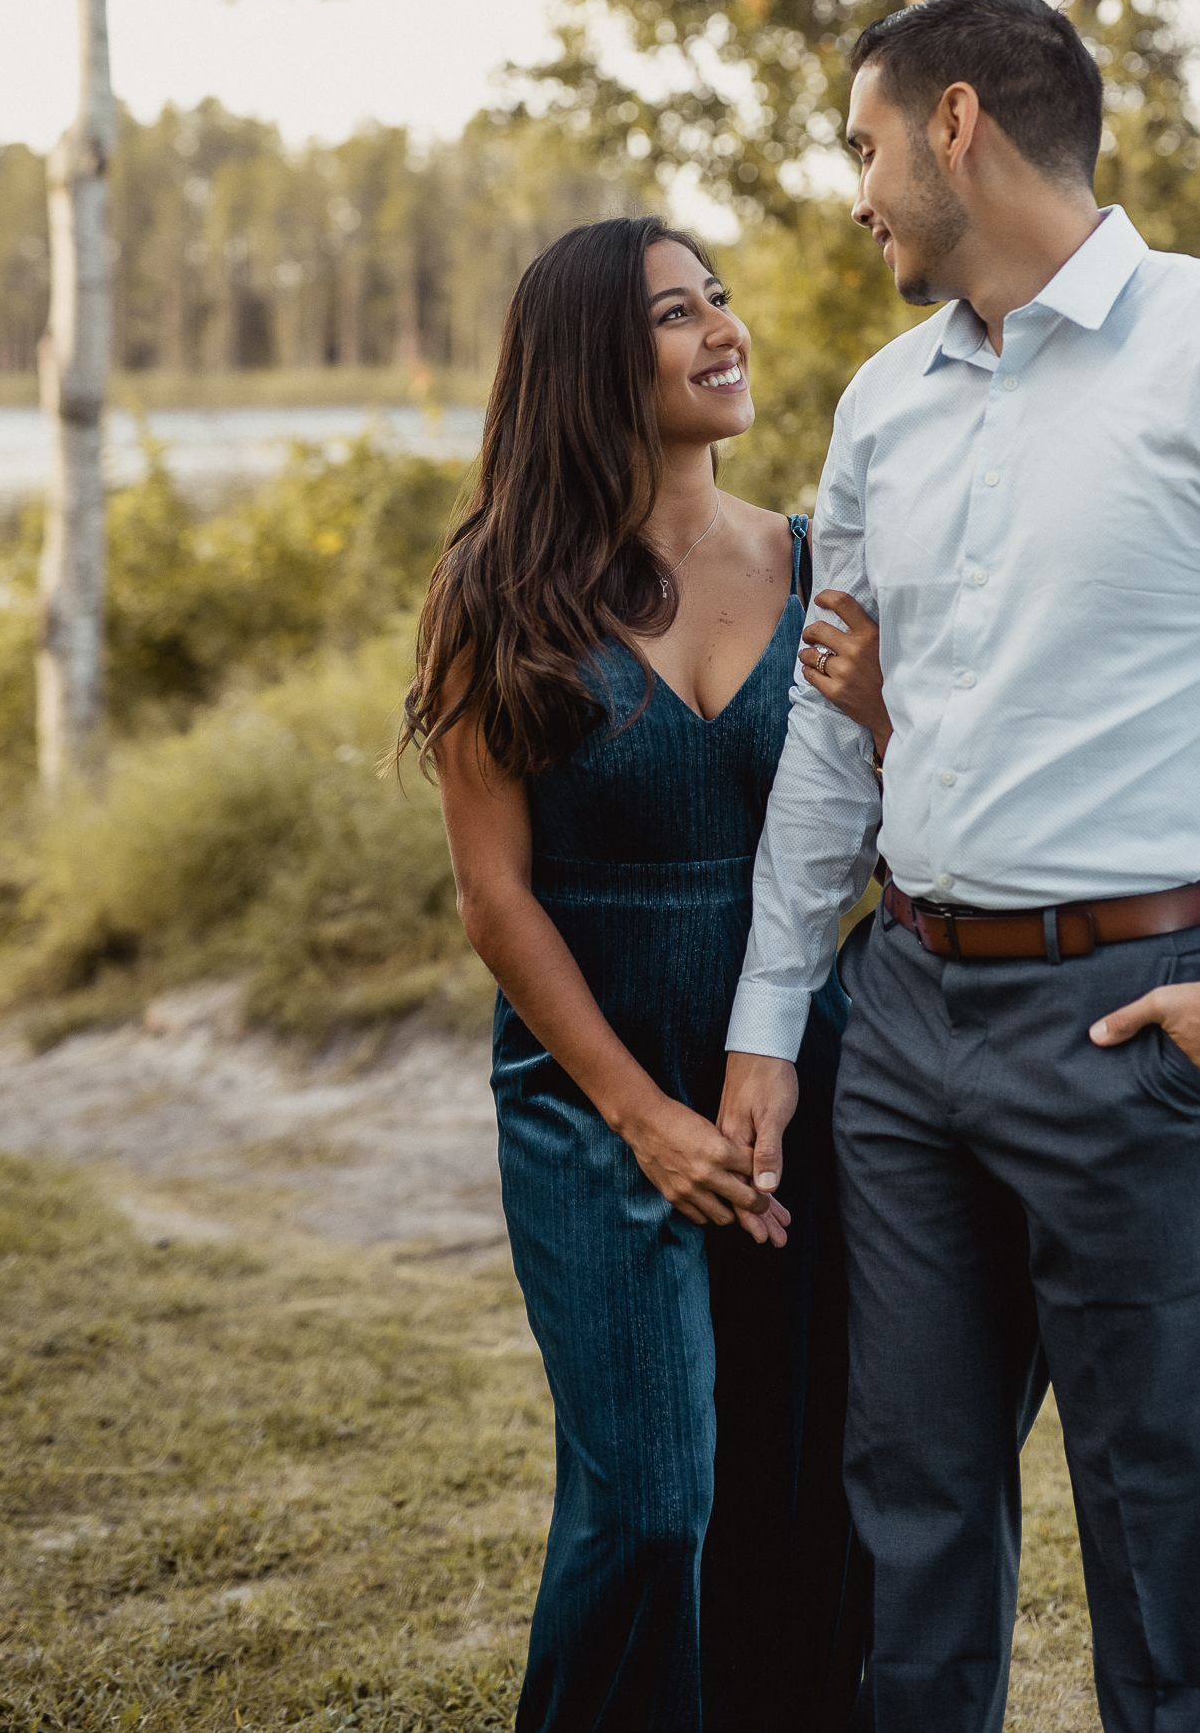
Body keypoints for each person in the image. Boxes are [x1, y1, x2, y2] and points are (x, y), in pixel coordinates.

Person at [718, 0, 1200, 1733]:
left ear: (954, 121)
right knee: (905, 1494)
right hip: (902, 1016)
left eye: (864, 145)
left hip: (1143, 1012)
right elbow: (835, 726)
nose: (857, 190)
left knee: (1157, 1503)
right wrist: (771, 1015)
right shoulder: (885, 401)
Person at [400, 217, 885, 1733]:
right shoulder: (496, 588)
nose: (723, 330)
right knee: (652, 1503)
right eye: (677, 315)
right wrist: (637, 1113)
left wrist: (886, 715)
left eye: (719, 300)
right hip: (591, 1097)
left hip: (797, 1071)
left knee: (800, 1495)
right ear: (589, 364)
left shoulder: (816, 563)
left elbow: (877, 838)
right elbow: (494, 900)